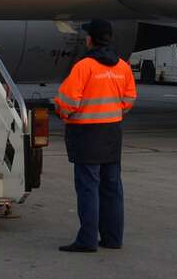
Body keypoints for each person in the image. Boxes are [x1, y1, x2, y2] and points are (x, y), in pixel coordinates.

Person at [51, 19, 136, 252]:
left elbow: (67, 102)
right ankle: (112, 238)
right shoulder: (122, 67)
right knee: (112, 188)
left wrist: (63, 113)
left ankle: (87, 240)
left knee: (88, 188)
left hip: (87, 134)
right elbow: (129, 99)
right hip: (112, 133)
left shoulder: (84, 66)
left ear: (90, 39)